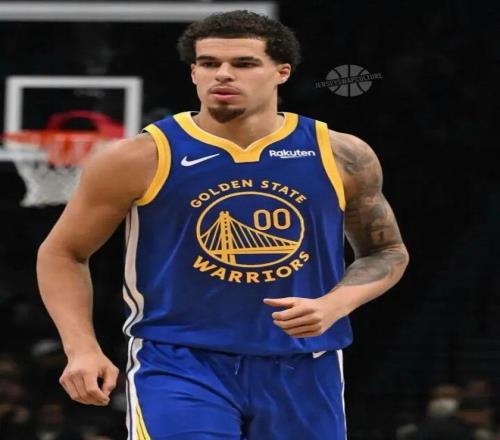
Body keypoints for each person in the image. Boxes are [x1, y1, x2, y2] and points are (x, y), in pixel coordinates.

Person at [36, 10, 409, 440]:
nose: (223, 74)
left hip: (305, 363)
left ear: (282, 72)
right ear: (194, 72)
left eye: (244, 63)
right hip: (179, 363)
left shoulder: (340, 154)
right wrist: (81, 348)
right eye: (209, 63)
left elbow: (387, 251)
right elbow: (63, 252)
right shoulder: (139, 156)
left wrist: (337, 303)